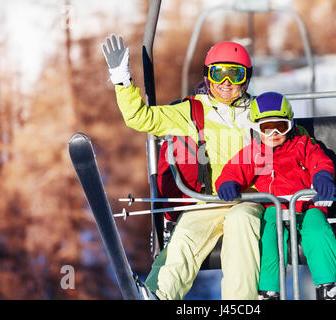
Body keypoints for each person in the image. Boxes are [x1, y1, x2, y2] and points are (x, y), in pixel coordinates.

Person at [102, 35, 264, 300]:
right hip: (208, 200)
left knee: (242, 222)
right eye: (218, 74)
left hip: (250, 197)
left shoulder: (258, 110)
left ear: (246, 78)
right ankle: (159, 295)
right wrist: (122, 79)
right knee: (186, 237)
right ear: (207, 76)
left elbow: (292, 137)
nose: (226, 83)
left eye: (234, 75)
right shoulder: (192, 111)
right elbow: (140, 118)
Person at [215, 92, 336, 300]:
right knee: (269, 237)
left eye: (280, 126)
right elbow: (234, 170)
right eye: (267, 128)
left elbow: (320, 161)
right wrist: (228, 182)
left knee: (318, 230)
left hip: (306, 205)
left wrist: (322, 177)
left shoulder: (302, 145)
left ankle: (326, 285)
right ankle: (269, 289)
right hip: (273, 208)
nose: (274, 133)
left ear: (290, 125)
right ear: (257, 129)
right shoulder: (254, 153)